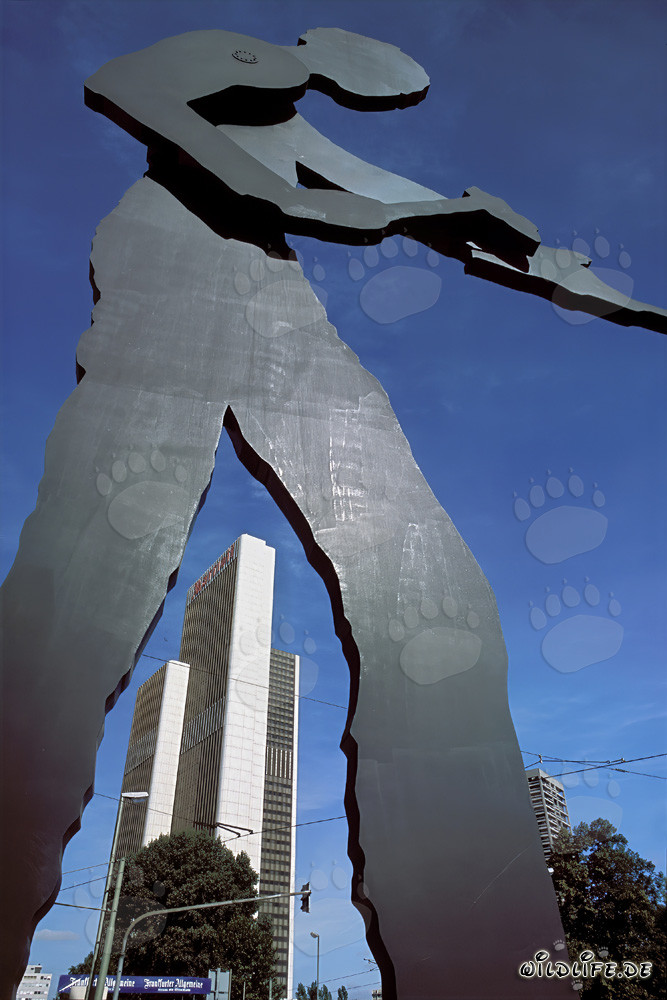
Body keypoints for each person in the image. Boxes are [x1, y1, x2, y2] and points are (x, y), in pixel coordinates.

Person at [1, 28, 664, 999]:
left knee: (435, 593)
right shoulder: (234, 62)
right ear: (330, 47)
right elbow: (130, 88)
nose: (389, 86)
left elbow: (417, 212)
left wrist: (590, 283)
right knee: (96, 569)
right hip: (170, 263)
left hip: (267, 287)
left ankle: (490, 963)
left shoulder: (301, 127)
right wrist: (392, 214)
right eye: (384, 70)